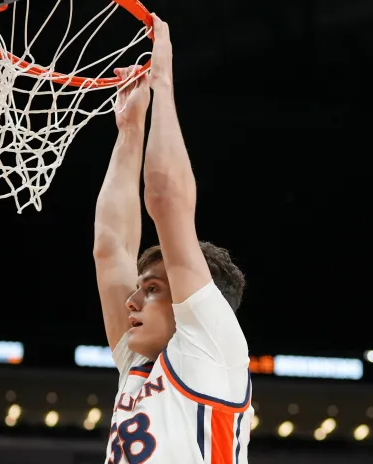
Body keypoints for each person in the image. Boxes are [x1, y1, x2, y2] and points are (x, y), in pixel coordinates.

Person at [93, 13, 253, 464]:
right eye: (142, 288)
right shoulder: (140, 363)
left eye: (152, 289)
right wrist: (129, 132)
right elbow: (110, 248)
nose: (132, 301)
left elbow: (165, 198)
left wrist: (162, 82)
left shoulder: (212, 347)